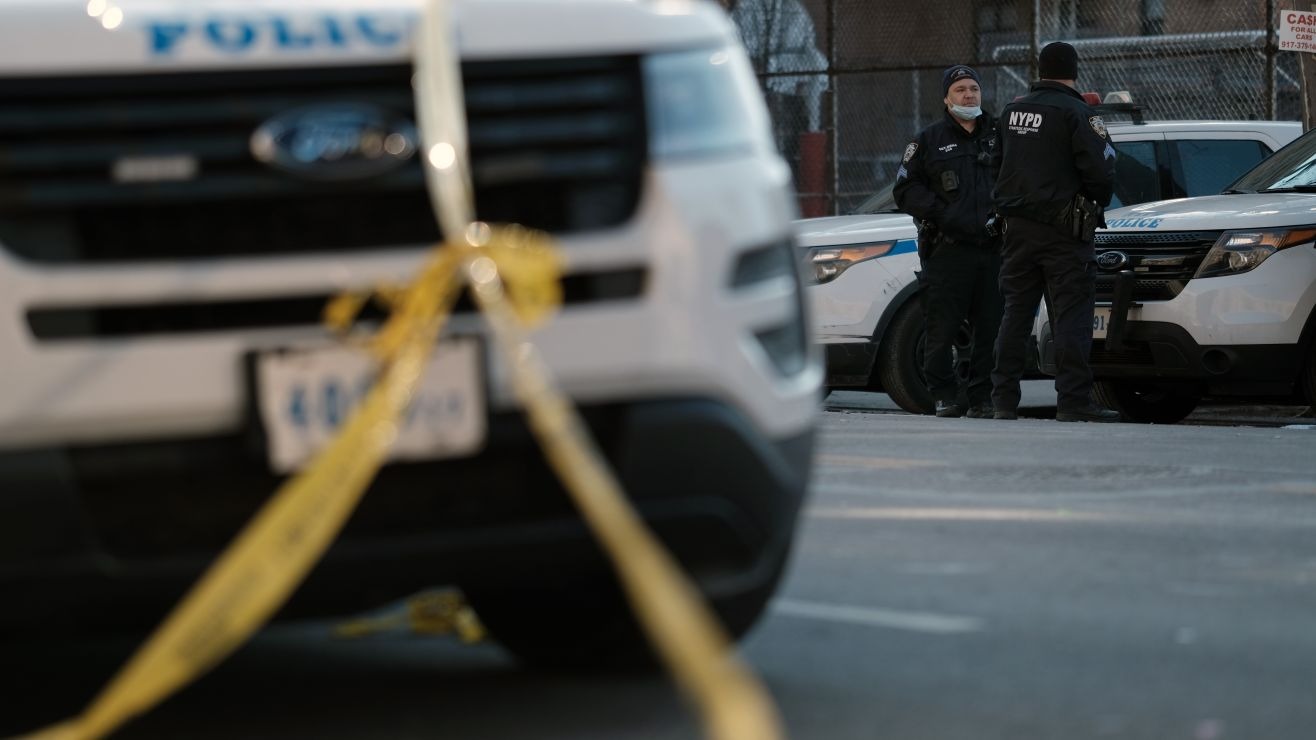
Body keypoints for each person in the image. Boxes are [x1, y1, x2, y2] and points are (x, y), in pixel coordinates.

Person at [989, 42, 1120, 422]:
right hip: (1064, 234)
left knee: (1015, 314)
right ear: (1073, 71)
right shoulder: (1078, 112)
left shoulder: (1012, 112)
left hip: (1016, 232)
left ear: (1040, 70)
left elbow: (995, 165)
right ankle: (1074, 403)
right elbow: (1101, 169)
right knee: (1071, 317)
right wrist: (1094, 199)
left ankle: (1003, 401)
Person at [893, 64, 1003, 418]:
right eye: (960, 90)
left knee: (991, 329)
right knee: (941, 328)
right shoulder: (928, 140)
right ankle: (943, 393)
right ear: (946, 98)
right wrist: (943, 213)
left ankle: (982, 397)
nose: (969, 94)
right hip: (948, 251)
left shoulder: (1001, 135)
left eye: (974, 88)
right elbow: (905, 189)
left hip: (993, 249)